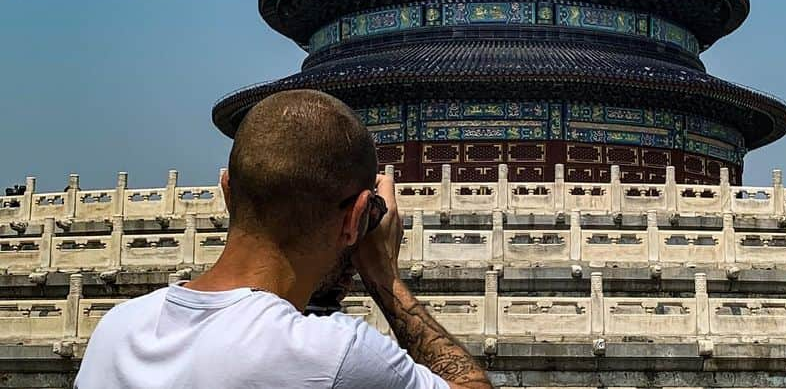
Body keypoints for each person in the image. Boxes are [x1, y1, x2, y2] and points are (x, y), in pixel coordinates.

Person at [76, 89, 493, 389]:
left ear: (226, 190)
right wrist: (386, 279)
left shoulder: (116, 331)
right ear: (357, 218)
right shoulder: (329, 354)